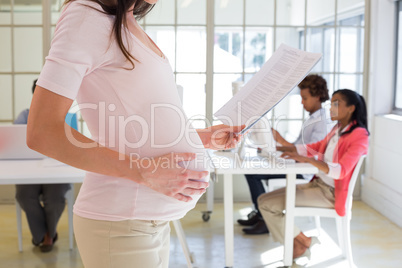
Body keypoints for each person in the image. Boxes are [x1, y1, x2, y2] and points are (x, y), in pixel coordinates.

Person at [26, 0, 243, 267]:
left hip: (149, 222)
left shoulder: (124, 21)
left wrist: (202, 137)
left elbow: (134, 125)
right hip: (120, 225)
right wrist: (143, 171)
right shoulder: (86, 16)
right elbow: (42, 132)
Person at [258, 89, 369, 260]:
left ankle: (299, 244)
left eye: (336, 103)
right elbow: (314, 147)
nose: (330, 108)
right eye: (331, 103)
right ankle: (303, 241)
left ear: (351, 108)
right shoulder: (337, 129)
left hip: (330, 194)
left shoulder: (359, 135)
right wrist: (278, 148)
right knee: (263, 201)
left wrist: (307, 160)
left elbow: (341, 170)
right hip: (318, 186)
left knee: (267, 205)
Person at [238, 74, 331, 235]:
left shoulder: (321, 122)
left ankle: (263, 217)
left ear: (317, 97)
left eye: (305, 98)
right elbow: (297, 147)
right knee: (254, 169)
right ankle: (261, 213)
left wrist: (280, 140)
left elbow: (311, 152)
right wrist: (273, 145)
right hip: (298, 165)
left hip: (304, 173)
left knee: (252, 172)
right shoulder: (313, 119)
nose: (302, 102)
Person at [14, 79, 71, 253]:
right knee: (24, 196)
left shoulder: (65, 116)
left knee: (54, 199)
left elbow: (71, 145)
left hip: (57, 169)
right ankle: (43, 233)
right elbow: (16, 142)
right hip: (30, 170)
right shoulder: (24, 116)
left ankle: (48, 236)